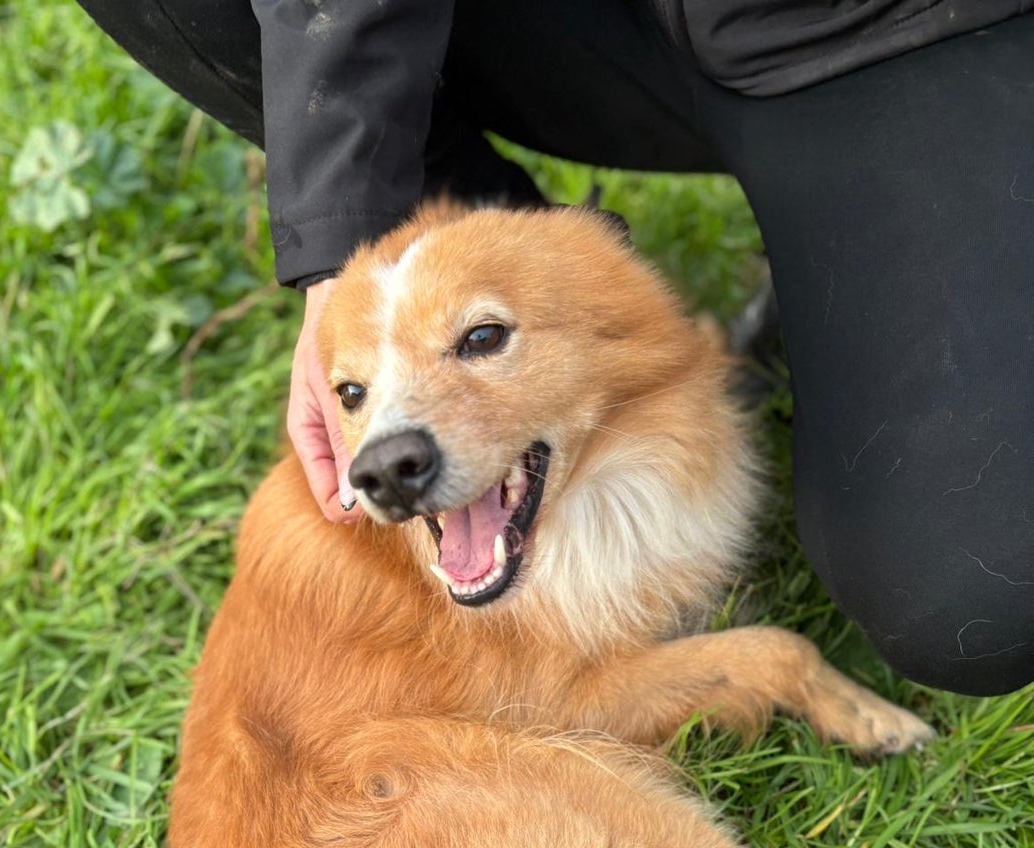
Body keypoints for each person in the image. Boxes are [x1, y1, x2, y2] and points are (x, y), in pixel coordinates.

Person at [76, 0, 1034, 697]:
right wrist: (344, 243)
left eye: (480, 338)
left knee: (970, 601)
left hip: (891, 32)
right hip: (597, 27)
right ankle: (488, 259)